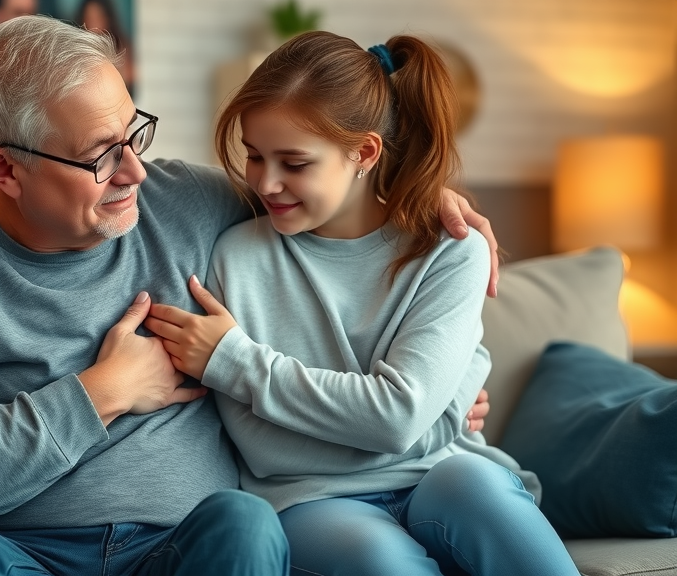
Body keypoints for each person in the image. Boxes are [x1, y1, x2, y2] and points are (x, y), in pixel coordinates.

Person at [0, 16, 497, 576]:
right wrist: (104, 392)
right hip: (14, 552)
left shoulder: (187, 203)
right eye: (99, 157)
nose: (136, 171)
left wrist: (424, 204)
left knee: (245, 523)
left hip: (181, 548)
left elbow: (326, 193)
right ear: (4, 169)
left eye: (133, 134)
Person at [143, 32, 578, 576]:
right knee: (377, 558)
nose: (267, 182)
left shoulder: (451, 250)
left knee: (476, 486)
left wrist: (236, 362)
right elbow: (266, 448)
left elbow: (396, 421)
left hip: (442, 472)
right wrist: (410, 416)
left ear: (364, 153)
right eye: (255, 156)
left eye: (295, 163)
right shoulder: (234, 256)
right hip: (309, 499)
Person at [76, 0, 135, 94]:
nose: (93, 24)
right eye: (89, 18)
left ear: (107, 18)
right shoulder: (77, 49)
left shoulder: (121, 47)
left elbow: (130, 79)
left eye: (97, 17)